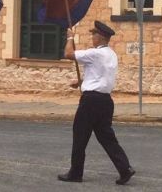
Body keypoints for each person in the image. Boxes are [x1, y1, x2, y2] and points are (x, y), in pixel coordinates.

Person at [58, 20, 135, 185]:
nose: (92, 37)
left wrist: (70, 38)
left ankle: (75, 173)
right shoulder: (111, 54)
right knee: (107, 138)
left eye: (93, 34)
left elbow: (68, 54)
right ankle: (125, 168)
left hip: (90, 101)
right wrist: (81, 81)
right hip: (105, 101)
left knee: (80, 135)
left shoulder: (94, 53)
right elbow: (101, 75)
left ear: (100, 37)